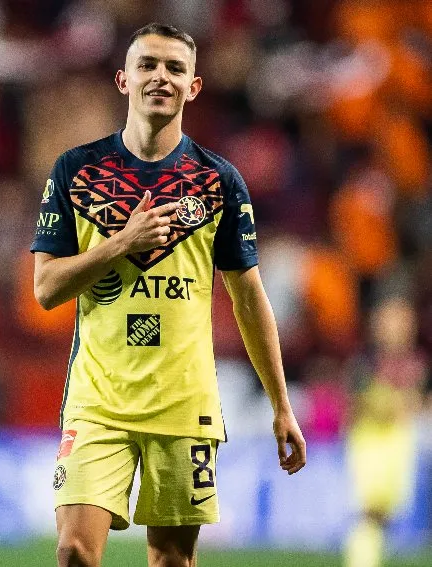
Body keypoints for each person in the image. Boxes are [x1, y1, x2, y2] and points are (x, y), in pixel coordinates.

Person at [31, 23, 306, 567]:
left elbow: (249, 298)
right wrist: (121, 244)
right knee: (73, 552)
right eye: (149, 65)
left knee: (172, 561)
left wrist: (281, 405)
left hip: (184, 405)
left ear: (193, 87)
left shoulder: (218, 181)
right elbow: (45, 289)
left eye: (175, 68)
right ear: (123, 79)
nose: (161, 77)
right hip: (98, 401)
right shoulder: (75, 170)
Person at [344, 297, 428, 567]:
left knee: (384, 514)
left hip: (398, 440)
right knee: (370, 510)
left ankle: (368, 556)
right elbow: (358, 401)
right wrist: (388, 403)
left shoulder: (418, 362)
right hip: (369, 440)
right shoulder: (365, 361)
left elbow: (417, 401)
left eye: (402, 321)